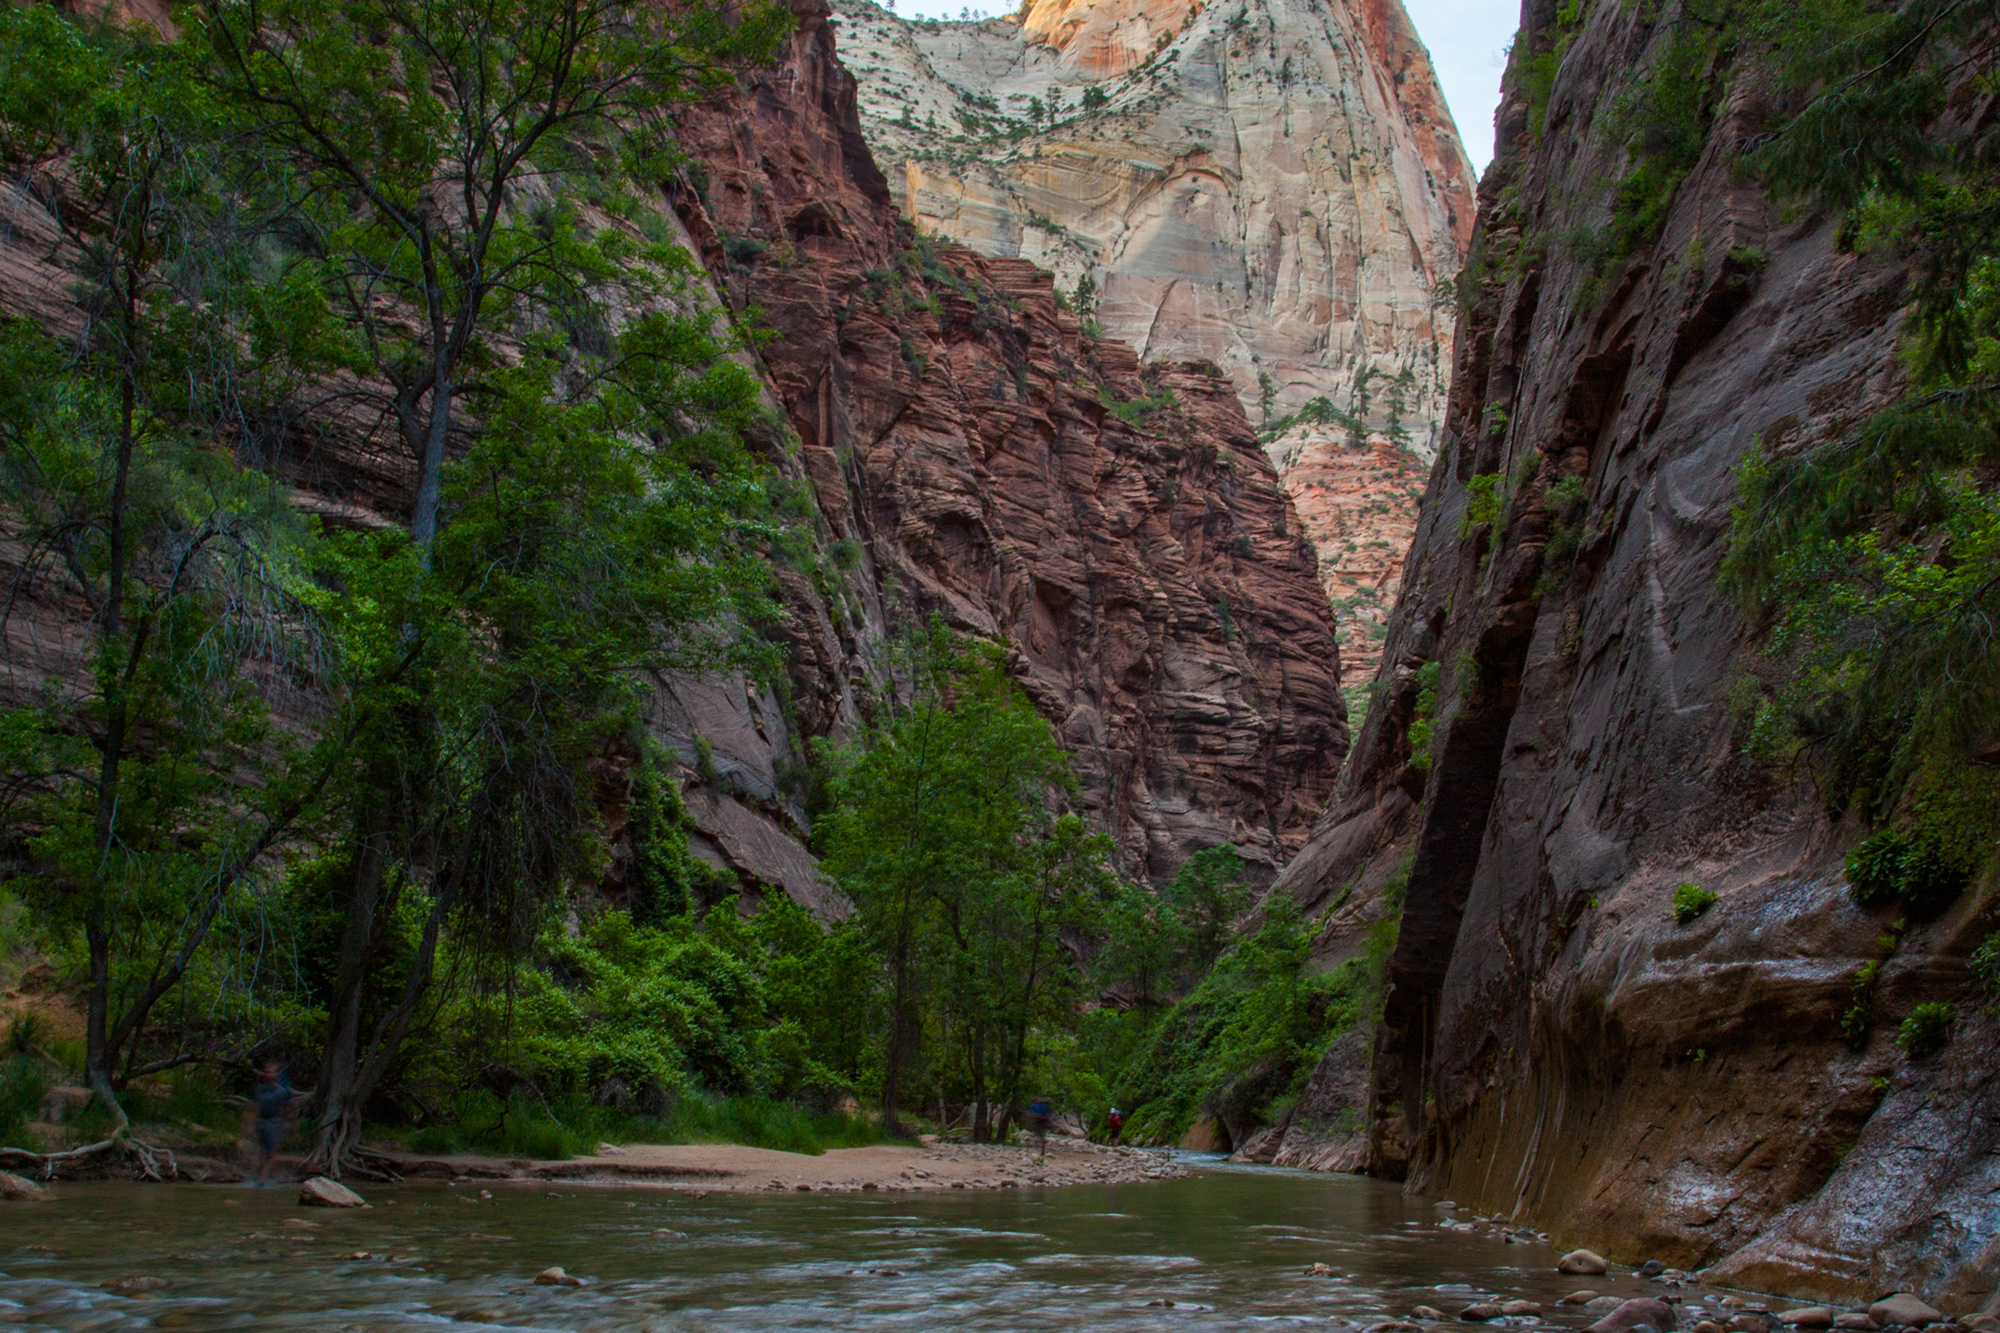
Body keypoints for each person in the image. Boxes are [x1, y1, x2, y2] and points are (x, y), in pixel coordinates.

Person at [251, 1061, 297, 1186]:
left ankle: (261, 1179)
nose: (269, 1075)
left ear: (277, 1075)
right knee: (263, 1153)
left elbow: (287, 1110)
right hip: (262, 1123)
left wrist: (292, 1127)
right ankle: (259, 1176)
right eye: (267, 1072)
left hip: (275, 1124)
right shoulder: (259, 1090)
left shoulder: (281, 1092)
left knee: (270, 1153)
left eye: (271, 1072)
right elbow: (253, 1108)